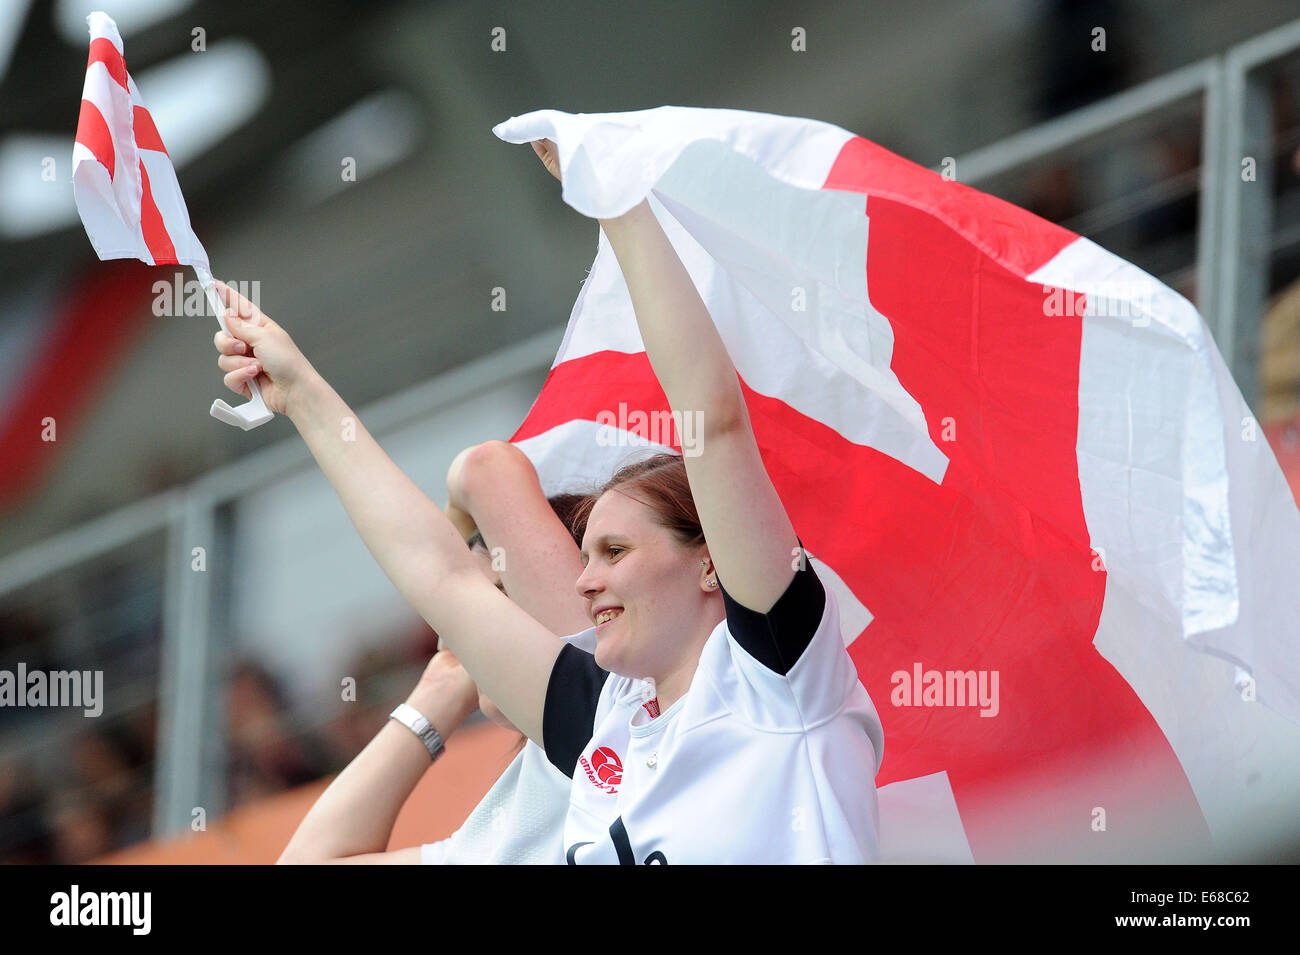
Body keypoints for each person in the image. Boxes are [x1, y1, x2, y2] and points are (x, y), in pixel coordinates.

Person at [212, 137, 884, 862]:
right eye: (586, 551)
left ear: (711, 564)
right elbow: (438, 579)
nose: (585, 576)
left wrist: (615, 199)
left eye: (616, 550)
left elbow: (712, 423)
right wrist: (304, 396)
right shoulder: (606, 726)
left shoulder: (775, 675)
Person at [278, 445, 594, 864]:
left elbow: (487, 467)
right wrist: (441, 686)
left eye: (498, 596)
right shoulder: (514, 823)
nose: (471, 626)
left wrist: (298, 388)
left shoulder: (624, 702)